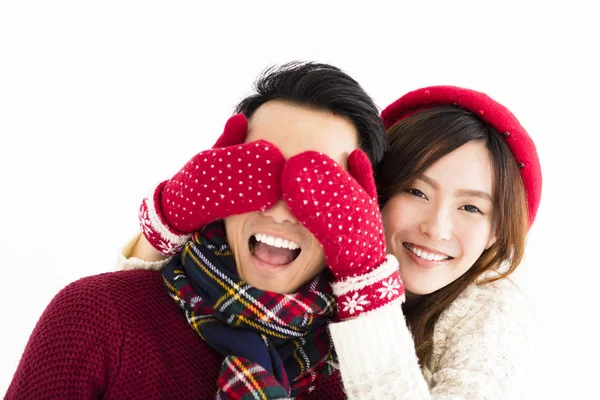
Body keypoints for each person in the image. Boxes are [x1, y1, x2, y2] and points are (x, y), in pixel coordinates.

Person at [114, 85, 543, 399]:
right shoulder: (311, 269)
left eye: (472, 208)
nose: (436, 227)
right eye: (415, 191)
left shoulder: (489, 315)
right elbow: (128, 319)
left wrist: (366, 284)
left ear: (496, 234)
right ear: (371, 191)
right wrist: (169, 220)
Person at [5, 61, 398, 399]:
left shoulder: (363, 372)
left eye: (322, 189)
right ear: (220, 180)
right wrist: (164, 221)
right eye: (259, 173)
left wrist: (365, 281)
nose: (281, 211)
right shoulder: (97, 313)